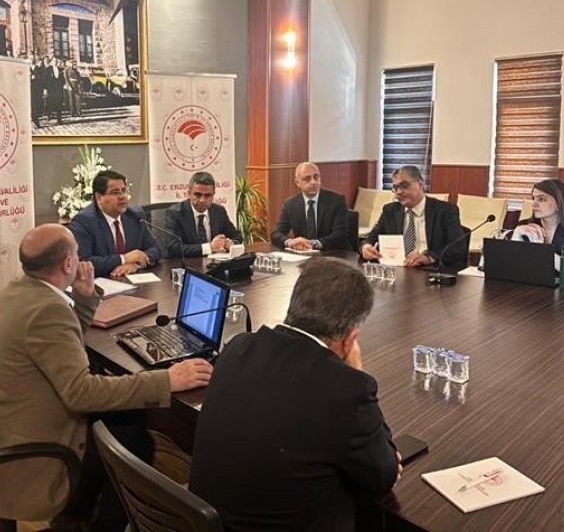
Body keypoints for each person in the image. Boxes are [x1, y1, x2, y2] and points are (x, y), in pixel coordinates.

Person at [0, 224, 213, 530]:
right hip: (31, 441)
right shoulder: (46, 309)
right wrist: (168, 380)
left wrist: (83, 299)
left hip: (9, 415)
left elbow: (61, 347)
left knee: (130, 415)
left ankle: (77, 514)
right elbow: (80, 392)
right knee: (133, 444)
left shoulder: (20, 290)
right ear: (67, 264)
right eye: (77, 253)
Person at [189, 258, 402, 531]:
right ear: (350, 338)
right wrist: (356, 371)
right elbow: (382, 477)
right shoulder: (347, 389)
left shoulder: (238, 346)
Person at [361, 165, 467, 270]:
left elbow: (458, 249)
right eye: (395, 187)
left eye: (404, 186)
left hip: (429, 270)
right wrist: (366, 247)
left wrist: (428, 257)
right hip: (397, 269)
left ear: (420, 184)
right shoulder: (390, 210)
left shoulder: (445, 211)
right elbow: (371, 238)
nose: (399, 192)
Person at [69, 170, 161, 277]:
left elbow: (155, 249)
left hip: (132, 280)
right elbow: (83, 262)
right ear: (99, 197)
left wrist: (135, 264)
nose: (122, 196)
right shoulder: (84, 221)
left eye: (124, 190)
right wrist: (123, 259)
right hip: (100, 283)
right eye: (115, 192)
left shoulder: (135, 216)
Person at [513, 178, 564, 280]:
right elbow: (511, 267)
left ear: (559, 204)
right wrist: (516, 235)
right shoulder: (524, 226)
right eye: (533, 198)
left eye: (542, 199)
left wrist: (541, 250)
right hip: (532, 285)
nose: (534, 204)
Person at [271, 162, 351, 251]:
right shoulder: (290, 204)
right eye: (307, 178)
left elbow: (340, 235)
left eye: (316, 177)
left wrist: (313, 243)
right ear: (297, 182)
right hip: (304, 254)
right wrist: (290, 242)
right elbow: (276, 233)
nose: (313, 182)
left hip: (333, 253)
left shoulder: (336, 200)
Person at [163, 171, 242, 258]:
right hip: (189, 263)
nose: (202, 200)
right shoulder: (175, 213)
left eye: (207, 195)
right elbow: (173, 248)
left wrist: (231, 243)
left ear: (213, 195)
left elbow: (237, 236)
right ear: (189, 194)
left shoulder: (219, 211)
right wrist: (209, 247)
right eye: (197, 195)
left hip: (215, 263)